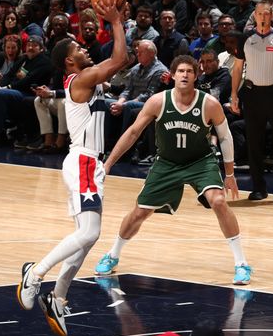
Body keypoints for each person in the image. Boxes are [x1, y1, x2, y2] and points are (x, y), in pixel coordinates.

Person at [15, 0, 127, 336]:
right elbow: (120, 59)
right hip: (82, 160)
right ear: (68, 61)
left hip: (90, 165)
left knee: (87, 240)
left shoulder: (84, 80)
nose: (85, 49)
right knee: (89, 233)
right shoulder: (79, 80)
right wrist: (117, 21)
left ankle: (59, 297)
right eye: (79, 48)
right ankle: (35, 273)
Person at [94, 55, 252, 284]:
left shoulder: (209, 103)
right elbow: (132, 132)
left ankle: (242, 263)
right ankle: (112, 254)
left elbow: (225, 138)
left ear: (196, 76)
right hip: (167, 162)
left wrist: (229, 174)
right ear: (173, 75)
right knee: (140, 212)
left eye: (189, 71)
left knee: (218, 201)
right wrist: (108, 164)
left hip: (200, 161)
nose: (185, 75)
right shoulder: (158, 101)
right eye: (181, 71)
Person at [231, 1, 273, 202]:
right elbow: (237, 68)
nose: (262, 17)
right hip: (252, 94)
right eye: (259, 14)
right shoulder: (245, 37)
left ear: (271, 16)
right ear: (255, 15)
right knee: (254, 143)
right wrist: (234, 94)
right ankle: (259, 188)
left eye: (266, 14)